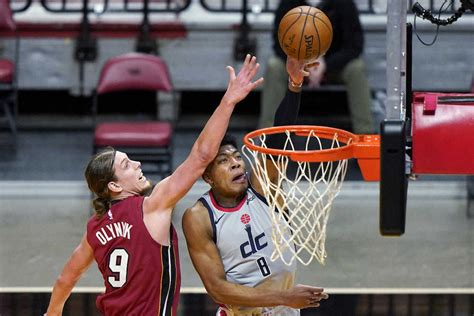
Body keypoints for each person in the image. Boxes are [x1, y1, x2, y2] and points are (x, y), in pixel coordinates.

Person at [44, 54, 264, 316]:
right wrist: (228, 102)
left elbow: (65, 279)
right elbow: (201, 158)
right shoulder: (151, 207)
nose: (137, 164)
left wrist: (52, 313)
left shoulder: (95, 227)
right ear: (114, 187)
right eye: (126, 165)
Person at [182, 57, 328, 315]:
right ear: (208, 177)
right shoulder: (199, 217)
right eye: (224, 162)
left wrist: (294, 84)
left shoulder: (262, 187)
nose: (236, 164)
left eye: (237, 157)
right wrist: (283, 297)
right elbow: (217, 289)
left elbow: (281, 137)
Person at [259, 0, 374, 134]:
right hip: (297, 63)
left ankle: (365, 136)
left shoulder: (344, 3)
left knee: (356, 68)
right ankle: (265, 137)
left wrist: (326, 65)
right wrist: (303, 62)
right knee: (274, 66)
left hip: (333, 66)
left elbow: (355, 45)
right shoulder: (289, 3)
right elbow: (278, 44)